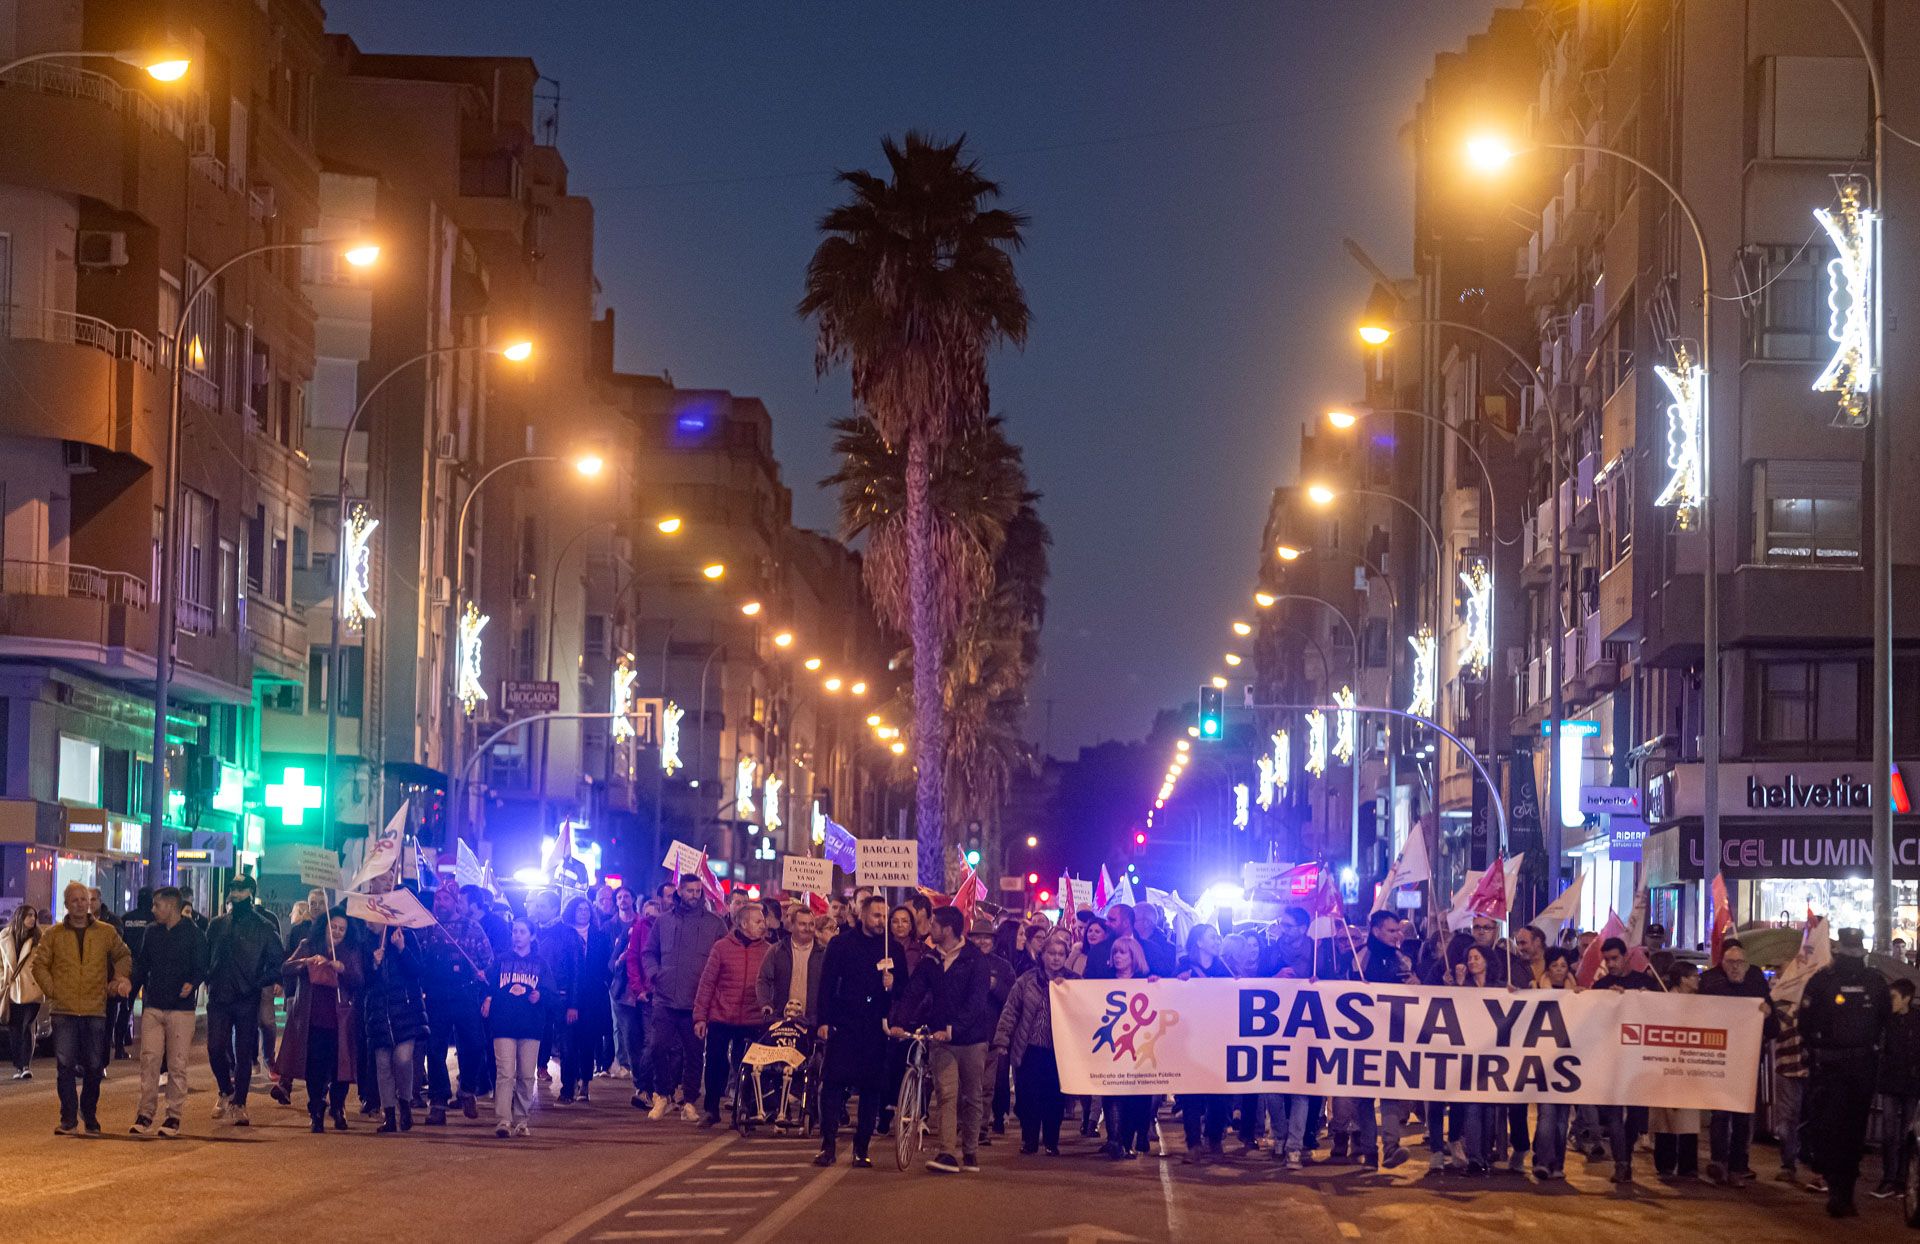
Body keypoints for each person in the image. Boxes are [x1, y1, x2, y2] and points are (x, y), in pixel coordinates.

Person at [894, 905, 994, 1173]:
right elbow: (914, 992)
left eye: (934, 925)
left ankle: (970, 1152)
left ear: (947, 929)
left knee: (972, 1096)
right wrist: (898, 1022)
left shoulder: (975, 960)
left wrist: (954, 1029)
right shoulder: (930, 959)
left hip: (972, 1040)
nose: (928, 928)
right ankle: (947, 1153)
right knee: (946, 1095)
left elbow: (976, 1004)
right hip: (941, 1041)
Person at [1800, 927, 1892, 1216]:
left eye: (1855, 952)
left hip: (1857, 1067)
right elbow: (1805, 1022)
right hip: (1831, 1067)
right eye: (1850, 952)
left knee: (1850, 1133)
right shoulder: (1823, 981)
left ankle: (1843, 1192)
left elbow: (1883, 1022)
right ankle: (1836, 1185)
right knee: (1831, 1130)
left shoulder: (1874, 982)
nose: (1852, 956)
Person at [31, 880, 132, 1136]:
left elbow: (123, 955)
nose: (80, 904)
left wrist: (119, 979)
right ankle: (68, 1118)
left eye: (84, 899)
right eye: (74, 900)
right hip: (63, 1010)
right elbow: (39, 965)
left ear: (90, 903)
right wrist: (52, 990)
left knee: (95, 1065)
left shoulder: (105, 932)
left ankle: (89, 1113)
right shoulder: (53, 934)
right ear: (66, 904)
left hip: (95, 1009)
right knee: (64, 1066)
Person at [814, 895, 897, 1167]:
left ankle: (861, 1148)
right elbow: (826, 983)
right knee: (833, 1084)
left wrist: (890, 985)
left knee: (871, 1088)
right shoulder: (841, 944)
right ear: (862, 915)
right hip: (845, 1022)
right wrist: (824, 1021)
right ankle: (828, 1145)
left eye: (885, 917)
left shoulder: (890, 948)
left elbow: (904, 989)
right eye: (876, 916)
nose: (881, 922)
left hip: (874, 1026)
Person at [203, 874, 284, 1126]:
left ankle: (240, 1103)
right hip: (219, 995)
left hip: (246, 998)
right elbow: (206, 956)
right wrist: (207, 976)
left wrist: (257, 982)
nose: (234, 892)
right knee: (215, 1048)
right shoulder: (217, 925)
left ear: (250, 891)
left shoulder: (263, 926)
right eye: (232, 888)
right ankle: (225, 1090)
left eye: (239, 888)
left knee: (244, 1052)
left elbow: (277, 963)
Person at [644, 875, 726, 1120]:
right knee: (658, 1047)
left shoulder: (715, 924)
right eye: (689, 890)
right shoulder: (664, 921)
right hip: (665, 998)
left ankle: (689, 1099)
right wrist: (655, 974)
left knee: (693, 1052)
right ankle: (663, 1095)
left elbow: (724, 958)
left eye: (697, 891)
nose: (694, 895)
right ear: (679, 891)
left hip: (696, 1000)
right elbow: (649, 952)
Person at [129, 887, 205, 1138]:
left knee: (177, 1064)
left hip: (180, 1010)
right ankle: (145, 1113)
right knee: (149, 1060)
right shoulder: (151, 932)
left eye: (156, 905)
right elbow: (141, 964)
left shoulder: (193, 934)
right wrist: (130, 992)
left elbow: (203, 965)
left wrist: (192, 983)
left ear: (171, 906)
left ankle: (173, 1116)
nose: (153, 910)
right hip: (153, 1005)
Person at [995, 927, 1075, 1156]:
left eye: (1060, 954)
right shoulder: (1027, 980)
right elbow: (1011, 1010)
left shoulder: (1074, 981)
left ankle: (1051, 1140)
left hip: (1059, 1051)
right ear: (1043, 955)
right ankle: (1029, 1139)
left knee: (1054, 1097)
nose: (1056, 958)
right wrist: (1002, 1039)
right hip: (1030, 1047)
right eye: (1051, 953)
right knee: (1028, 1096)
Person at [278, 913, 361, 1133]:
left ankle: (338, 1106)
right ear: (325, 926)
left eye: (341, 929)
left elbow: (359, 979)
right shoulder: (308, 945)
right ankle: (316, 1110)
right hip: (312, 1018)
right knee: (315, 1067)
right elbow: (286, 967)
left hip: (339, 1019)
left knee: (338, 1068)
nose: (336, 932)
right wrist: (306, 962)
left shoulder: (349, 951)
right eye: (333, 926)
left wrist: (342, 969)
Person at [419, 885, 492, 1125]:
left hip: (465, 994)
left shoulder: (472, 927)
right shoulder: (429, 928)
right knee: (435, 1050)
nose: (440, 902)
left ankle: (467, 1089)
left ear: (456, 901)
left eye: (446, 898)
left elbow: (488, 961)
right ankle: (438, 1102)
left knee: (475, 1044)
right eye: (438, 898)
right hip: (437, 996)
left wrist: (482, 974)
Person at [1700, 938, 1771, 1184]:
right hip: (1720, 1057)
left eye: (1740, 963)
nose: (1736, 968)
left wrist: (1766, 1013)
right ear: (1722, 962)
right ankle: (1719, 1161)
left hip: (1749, 1058)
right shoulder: (1710, 981)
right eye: (1731, 963)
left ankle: (1739, 1165)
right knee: (1720, 1112)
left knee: (1743, 1114)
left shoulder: (1756, 980)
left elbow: (1772, 1024)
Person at [693, 897, 770, 1126]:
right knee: (716, 1063)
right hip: (722, 1016)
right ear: (743, 924)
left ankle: (744, 1109)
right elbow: (707, 983)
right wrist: (700, 1017)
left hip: (752, 1018)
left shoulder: (768, 951)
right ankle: (711, 1109)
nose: (763, 925)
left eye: (763, 920)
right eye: (758, 921)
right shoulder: (722, 948)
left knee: (746, 1065)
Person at [1594, 936, 1657, 1182]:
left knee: (1636, 1115)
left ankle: (1626, 1152)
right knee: (1613, 1114)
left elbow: (1662, 1011)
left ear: (1626, 957)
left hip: (1640, 1060)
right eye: (1607, 960)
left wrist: (1642, 999)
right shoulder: (1601, 987)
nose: (1610, 964)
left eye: (1614, 959)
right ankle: (1622, 1163)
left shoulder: (1645, 983)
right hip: (1611, 1059)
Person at [362, 924, 428, 1133]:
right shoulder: (366, 941)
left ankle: (405, 1104)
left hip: (405, 1009)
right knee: (382, 1065)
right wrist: (373, 964)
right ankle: (389, 1114)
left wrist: (402, 948)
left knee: (402, 1059)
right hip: (379, 1012)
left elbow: (418, 970)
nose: (368, 923)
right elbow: (361, 979)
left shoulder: (405, 936)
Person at [1175, 924, 1233, 1163]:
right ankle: (1194, 1144)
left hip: (1218, 1041)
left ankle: (1214, 1138)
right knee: (1191, 1097)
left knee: (1219, 1096)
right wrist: (1177, 982)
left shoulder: (1225, 969)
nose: (1217, 940)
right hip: (1191, 1041)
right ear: (1199, 942)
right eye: (1212, 937)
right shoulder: (1183, 967)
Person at [486, 915, 547, 1137]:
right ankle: (503, 1119)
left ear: (531, 935)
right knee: (505, 1073)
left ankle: (521, 1118)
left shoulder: (540, 963)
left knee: (526, 1075)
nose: (517, 935)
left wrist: (540, 995)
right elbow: (489, 986)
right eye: (515, 931)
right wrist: (488, 997)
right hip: (504, 1024)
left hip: (530, 1026)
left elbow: (551, 992)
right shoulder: (501, 961)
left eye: (522, 931)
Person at [1530, 946, 1581, 1180]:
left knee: (1562, 1118)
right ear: (1547, 969)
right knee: (1547, 1114)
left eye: (1563, 966)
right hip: (1544, 1060)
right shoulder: (1535, 989)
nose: (1559, 971)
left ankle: (1557, 1163)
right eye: (1554, 966)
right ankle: (1542, 1161)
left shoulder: (1578, 993)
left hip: (1570, 1062)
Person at [557, 896, 613, 1104]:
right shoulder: (563, 934)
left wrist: (604, 982)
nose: (583, 913)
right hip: (569, 994)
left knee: (587, 1041)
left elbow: (606, 964)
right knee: (568, 1043)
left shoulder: (600, 936)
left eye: (586, 909)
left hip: (593, 996)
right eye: (579, 909)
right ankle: (568, 1084)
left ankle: (585, 1082)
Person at [1651, 961, 1703, 1179]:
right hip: (1665, 1064)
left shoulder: (1701, 1004)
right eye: (1694, 976)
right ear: (1683, 979)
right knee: (1665, 1118)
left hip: (1691, 1065)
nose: (1698, 979)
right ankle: (1665, 1164)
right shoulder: (1662, 1002)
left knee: (1689, 1115)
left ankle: (1688, 1165)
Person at [1871, 978, 1920, 1200]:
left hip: (1910, 1085)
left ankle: (1901, 1180)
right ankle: (1889, 1178)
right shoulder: (1887, 1021)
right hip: (1892, 1082)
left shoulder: (1916, 1021)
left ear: (1906, 998)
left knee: (1906, 1133)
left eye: (1894, 997)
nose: (1890, 1001)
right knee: (1889, 1133)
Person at [757, 905, 826, 1029]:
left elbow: (830, 987)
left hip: (811, 1023)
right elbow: (763, 980)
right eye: (802, 924)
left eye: (811, 924)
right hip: (780, 1021)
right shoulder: (777, 950)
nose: (807, 928)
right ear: (792, 925)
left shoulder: (823, 954)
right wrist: (766, 1004)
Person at [2, 905, 44, 1080]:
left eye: (34, 916)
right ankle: (19, 1065)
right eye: (28, 916)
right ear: (20, 917)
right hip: (11, 990)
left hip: (31, 989)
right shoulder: (5, 937)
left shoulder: (38, 939)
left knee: (27, 1026)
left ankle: (25, 1065)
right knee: (14, 1028)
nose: (32, 919)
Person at [1771, 998, 1811, 1185]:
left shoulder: (1819, 997)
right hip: (1787, 1068)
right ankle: (1788, 1164)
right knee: (1787, 1119)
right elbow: (1782, 1026)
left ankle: (1817, 1170)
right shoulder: (1778, 1003)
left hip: (1813, 1069)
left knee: (1815, 1120)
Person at [608, 886, 642, 1081]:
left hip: (637, 981)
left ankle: (635, 1062)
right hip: (618, 982)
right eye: (619, 897)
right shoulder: (610, 926)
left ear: (633, 899)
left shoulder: (641, 922)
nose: (623, 900)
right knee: (619, 1025)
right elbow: (608, 957)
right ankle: (624, 1063)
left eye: (626, 896)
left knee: (634, 1025)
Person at [1135, 902, 1179, 978]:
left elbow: (1168, 977)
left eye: (1133, 920)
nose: (1129, 923)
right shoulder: (1130, 943)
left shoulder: (1168, 949)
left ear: (1147, 923)